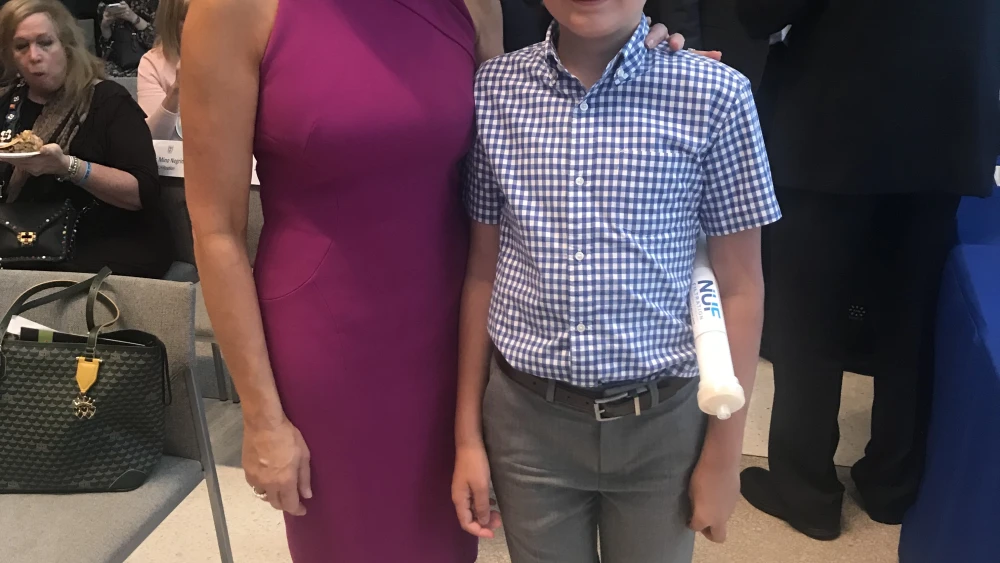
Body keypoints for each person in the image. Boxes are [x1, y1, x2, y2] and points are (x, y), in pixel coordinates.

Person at [179, 0, 688, 561]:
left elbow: (527, 124)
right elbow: (217, 232)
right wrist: (261, 417)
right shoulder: (236, 10)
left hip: (451, 336)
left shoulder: (472, 4)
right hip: (327, 348)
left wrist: (634, 57)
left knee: (446, 537)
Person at [453, 1, 780, 562]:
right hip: (527, 424)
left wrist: (725, 457)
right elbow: (483, 271)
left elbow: (741, 287)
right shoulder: (495, 90)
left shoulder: (715, 95)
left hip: (663, 425)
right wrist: (467, 437)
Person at [736, 0, 1000, 540]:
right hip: (947, 117)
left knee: (807, 324)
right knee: (911, 324)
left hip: (834, 120)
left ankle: (807, 492)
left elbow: (759, 13)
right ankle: (892, 483)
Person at [0, 0, 171, 278]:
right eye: (21, 46)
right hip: (20, 239)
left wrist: (68, 167)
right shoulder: (8, 102)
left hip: (104, 241)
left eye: (45, 43)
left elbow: (142, 193)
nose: (34, 56)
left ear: (67, 46)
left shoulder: (107, 100)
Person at [136, 0, 183, 139]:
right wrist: (176, 90)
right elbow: (153, 137)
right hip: (173, 151)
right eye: (185, 18)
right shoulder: (152, 63)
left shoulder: (229, 58)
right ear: (171, 21)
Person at [97, 0, 155, 77]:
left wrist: (134, 18)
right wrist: (105, 26)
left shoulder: (152, 4)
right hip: (115, 65)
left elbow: (156, 42)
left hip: (146, 63)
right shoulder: (104, 5)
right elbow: (105, 47)